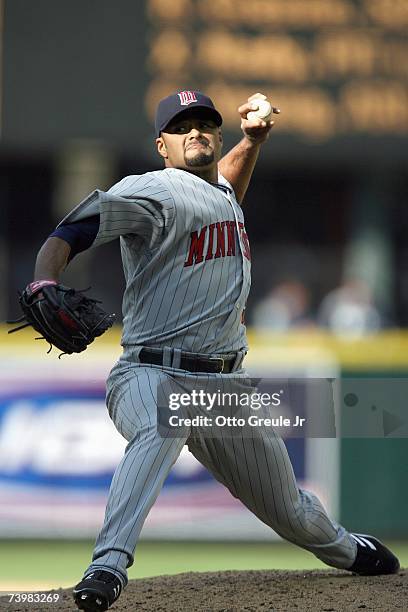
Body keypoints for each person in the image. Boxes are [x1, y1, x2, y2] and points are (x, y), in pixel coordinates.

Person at [31, 91, 399, 612]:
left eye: (205, 123)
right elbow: (72, 230)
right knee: (165, 421)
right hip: (149, 372)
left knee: (290, 509)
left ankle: (344, 548)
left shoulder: (221, 189)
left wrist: (252, 141)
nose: (196, 131)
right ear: (162, 144)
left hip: (225, 388)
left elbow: (226, 186)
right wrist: (45, 279)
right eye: (183, 127)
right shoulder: (151, 189)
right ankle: (108, 565)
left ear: (219, 135)